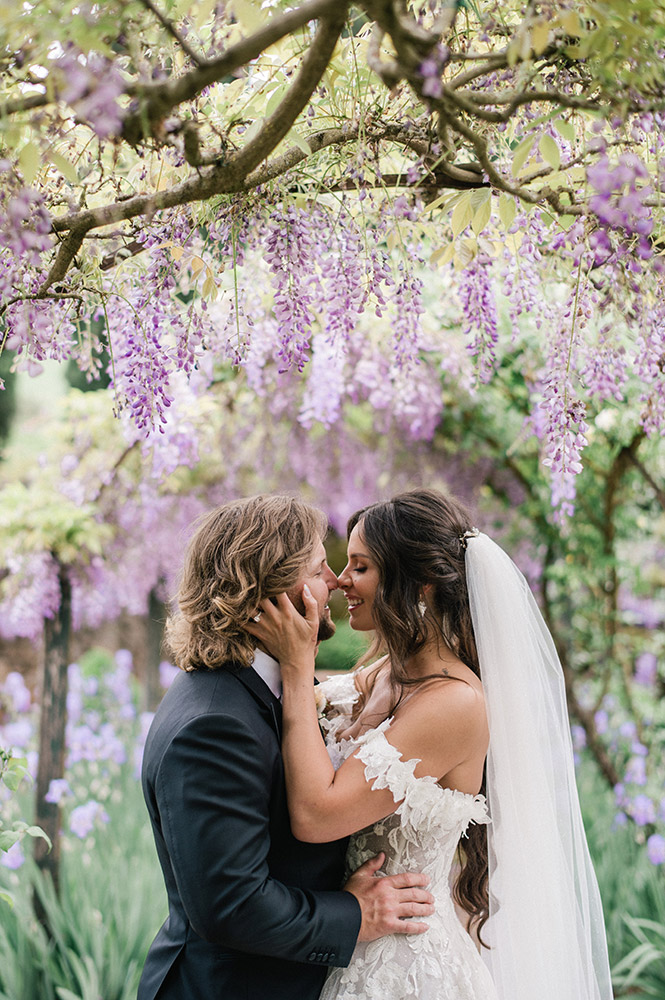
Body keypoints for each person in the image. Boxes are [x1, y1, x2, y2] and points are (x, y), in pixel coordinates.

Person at [248, 488, 614, 1000]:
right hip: (352, 943)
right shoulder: (386, 675)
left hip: (407, 966)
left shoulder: (454, 705)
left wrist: (296, 664)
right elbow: (302, 706)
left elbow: (316, 815)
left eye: (360, 567)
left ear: (418, 585)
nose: (339, 581)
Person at [137, 494, 435, 1000]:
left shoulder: (263, 691)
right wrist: (356, 916)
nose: (338, 582)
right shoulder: (213, 725)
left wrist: (390, 677)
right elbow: (232, 905)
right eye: (321, 571)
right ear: (274, 593)